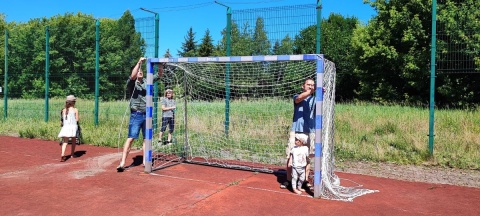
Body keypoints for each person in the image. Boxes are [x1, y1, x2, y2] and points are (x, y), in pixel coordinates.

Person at [117, 57, 164, 172]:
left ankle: (145, 161)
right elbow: (133, 76)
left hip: (147, 114)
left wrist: (160, 64)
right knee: (131, 138)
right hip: (136, 115)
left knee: (146, 139)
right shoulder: (132, 84)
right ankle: (122, 162)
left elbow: (160, 74)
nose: (140, 72)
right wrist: (139, 62)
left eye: (141, 71)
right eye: (138, 71)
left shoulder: (148, 81)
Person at [281, 78, 316, 189]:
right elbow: (299, 99)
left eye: (313, 85)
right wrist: (310, 91)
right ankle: (288, 180)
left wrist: (322, 92)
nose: (311, 86)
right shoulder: (297, 96)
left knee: (308, 157)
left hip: (310, 131)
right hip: (296, 130)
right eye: (308, 84)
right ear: (303, 86)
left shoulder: (316, 99)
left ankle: (305, 180)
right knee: (291, 155)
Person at [58, 95, 79, 162]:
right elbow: (77, 120)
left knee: (65, 142)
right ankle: (72, 154)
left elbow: (62, 120)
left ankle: (62, 154)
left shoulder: (63, 110)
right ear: (73, 102)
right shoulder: (75, 110)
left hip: (66, 127)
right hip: (73, 127)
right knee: (73, 140)